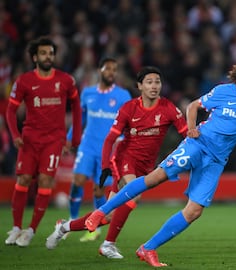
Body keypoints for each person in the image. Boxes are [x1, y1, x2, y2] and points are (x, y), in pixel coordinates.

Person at [84, 58, 236, 267]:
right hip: (198, 144)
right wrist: (191, 128)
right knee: (154, 179)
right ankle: (100, 212)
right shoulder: (225, 92)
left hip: (217, 159)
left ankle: (148, 248)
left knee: (194, 211)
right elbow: (193, 106)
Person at [45, 66, 188, 258]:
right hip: (124, 159)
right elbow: (110, 139)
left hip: (145, 167)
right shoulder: (129, 108)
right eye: (149, 82)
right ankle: (108, 244)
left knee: (108, 215)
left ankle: (64, 227)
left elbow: (187, 135)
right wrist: (105, 166)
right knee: (134, 196)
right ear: (140, 86)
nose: (154, 86)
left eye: (157, 82)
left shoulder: (169, 108)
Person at [5, 36, 82, 247]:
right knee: (23, 180)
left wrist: (73, 138)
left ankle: (31, 230)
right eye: (43, 53)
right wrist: (15, 135)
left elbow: (76, 107)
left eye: (50, 53)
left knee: (46, 181)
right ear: (34, 57)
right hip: (29, 140)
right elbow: (10, 110)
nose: (48, 57)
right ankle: (16, 228)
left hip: (53, 140)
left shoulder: (66, 80)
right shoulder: (24, 81)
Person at [66, 57, 131, 242]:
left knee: (99, 190)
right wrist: (70, 139)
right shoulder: (87, 93)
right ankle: (72, 219)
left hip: (108, 150)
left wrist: (124, 142)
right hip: (88, 145)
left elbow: (128, 122)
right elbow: (80, 119)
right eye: (108, 68)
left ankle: (94, 228)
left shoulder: (123, 95)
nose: (111, 72)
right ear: (100, 70)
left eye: (114, 69)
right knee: (77, 180)